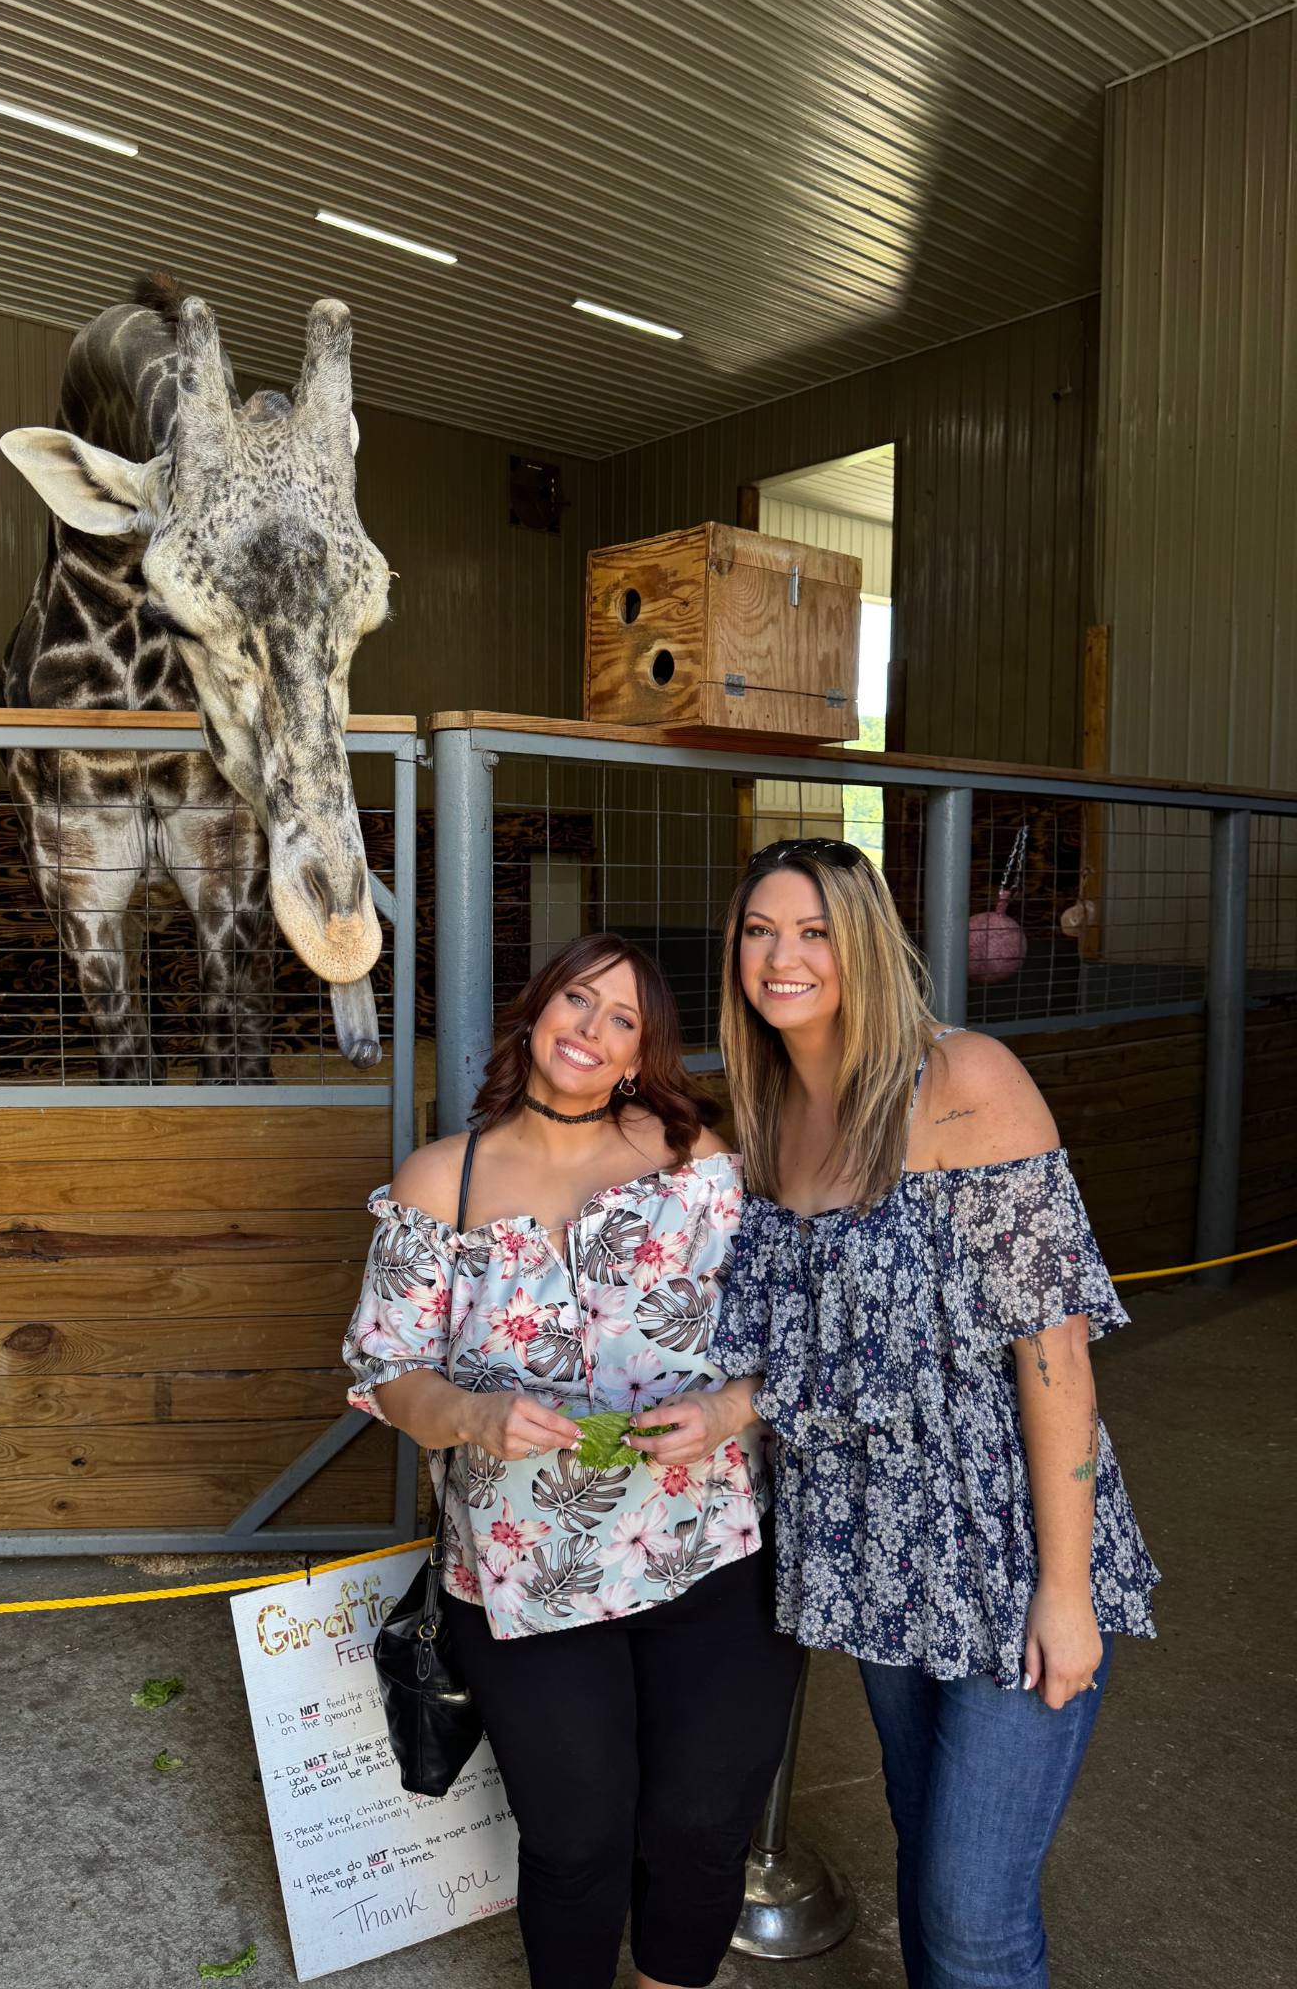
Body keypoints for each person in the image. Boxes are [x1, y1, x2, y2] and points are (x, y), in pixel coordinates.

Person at [708, 837, 1160, 1989]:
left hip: (1006, 1540)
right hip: (875, 1554)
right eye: (760, 929)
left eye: (813, 931)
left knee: (972, 1913)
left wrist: (1066, 1589)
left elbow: (1052, 1351)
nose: (783, 955)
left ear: (864, 944)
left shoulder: (963, 1080)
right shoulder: (765, 1119)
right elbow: (799, 1350)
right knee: (929, 1859)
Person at [342, 932, 802, 1989]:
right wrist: (470, 1412)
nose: (591, 1031)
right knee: (577, 1838)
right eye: (577, 1001)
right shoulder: (439, 1180)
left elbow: (792, 1326)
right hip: (523, 1575)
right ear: (535, 1011)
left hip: (710, 1550)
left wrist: (729, 1406)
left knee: (700, 1819)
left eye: (623, 1018)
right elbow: (388, 1370)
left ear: (645, 1053)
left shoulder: (701, 1165)